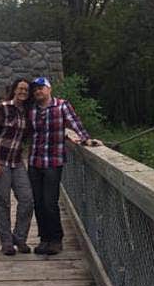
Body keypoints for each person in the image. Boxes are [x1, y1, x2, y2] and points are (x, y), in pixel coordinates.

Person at [27, 76, 103, 256]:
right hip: (34, 162)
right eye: (35, 89)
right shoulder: (32, 110)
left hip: (53, 161)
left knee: (49, 202)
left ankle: (56, 239)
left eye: (41, 88)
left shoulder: (62, 105)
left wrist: (86, 139)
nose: (38, 91)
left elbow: (75, 124)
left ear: (49, 89)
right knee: (38, 202)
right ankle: (44, 239)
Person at [0, 78, 33, 255]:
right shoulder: (3, 107)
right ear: (14, 90)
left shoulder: (28, 112)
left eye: (26, 90)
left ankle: (19, 238)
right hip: (1, 161)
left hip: (17, 162)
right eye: (20, 88)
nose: (23, 92)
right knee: (2, 202)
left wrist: (70, 136)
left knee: (27, 199)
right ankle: (6, 242)